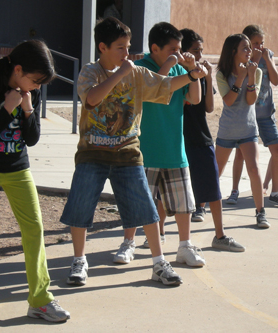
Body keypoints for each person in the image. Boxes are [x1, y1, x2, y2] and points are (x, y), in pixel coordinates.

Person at [60, 18, 205, 287]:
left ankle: (159, 263)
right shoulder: (90, 72)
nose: (127, 54)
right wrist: (119, 73)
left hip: (128, 153)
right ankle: (79, 260)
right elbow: (92, 99)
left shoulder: (136, 73)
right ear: (102, 47)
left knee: (146, 208)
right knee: (80, 207)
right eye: (120, 48)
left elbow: (163, 86)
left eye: (128, 47)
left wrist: (192, 76)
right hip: (93, 153)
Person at [0, 40, 70, 322]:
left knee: (34, 230)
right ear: (18, 69)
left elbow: (31, 140)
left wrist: (27, 110)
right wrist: (6, 108)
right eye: (34, 81)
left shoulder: (28, 93)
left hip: (18, 170)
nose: (36, 87)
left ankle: (40, 300)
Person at [116, 22, 209, 266]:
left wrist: (192, 74)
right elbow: (157, 85)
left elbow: (195, 99)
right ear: (154, 48)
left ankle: (185, 246)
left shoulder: (180, 68)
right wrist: (176, 66)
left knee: (183, 205)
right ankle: (128, 243)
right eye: (173, 49)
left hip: (174, 150)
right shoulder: (139, 69)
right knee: (138, 203)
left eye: (180, 49)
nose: (178, 54)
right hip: (144, 151)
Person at [179, 28, 245, 252]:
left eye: (201, 51)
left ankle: (220, 235)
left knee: (213, 188)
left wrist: (206, 76)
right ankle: (156, 235)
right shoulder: (174, 74)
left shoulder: (202, 73)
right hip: (177, 139)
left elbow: (208, 107)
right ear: (182, 52)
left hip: (200, 137)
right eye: (195, 51)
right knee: (167, 191)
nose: (199, 56)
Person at [227, 25, 278, 209]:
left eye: (261, 43)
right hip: (247, 115)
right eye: (255, 43)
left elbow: (276, 81)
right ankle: (234, 191)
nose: (259, 46)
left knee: (277, 151)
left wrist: (266, 58)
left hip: (265, 114)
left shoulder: (267, 55)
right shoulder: (243, 59)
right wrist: (253, 59)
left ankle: (275, 192)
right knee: (241, 154)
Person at [215, 34, 269, 228]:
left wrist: (251, 76)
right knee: (216, 171)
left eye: (249, 48)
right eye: (245, 48)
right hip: (227, 131)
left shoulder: (257, 71)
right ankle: (200, 206)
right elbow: (228, 101)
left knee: (254, 168)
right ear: (233, 52)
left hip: (248, 129)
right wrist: (240, 78)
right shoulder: (222, 74)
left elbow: (250, 101)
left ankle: (260, 212)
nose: (250, 52)